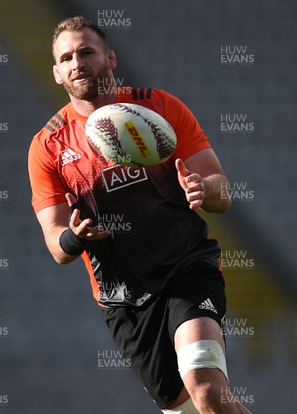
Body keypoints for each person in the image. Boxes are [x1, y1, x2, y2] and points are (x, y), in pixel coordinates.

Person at [28, 16, 251, 414]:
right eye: (67, 57)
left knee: (204, 384)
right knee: (187, 410)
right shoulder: (47, 146)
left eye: (86, 52)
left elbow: (223, 189)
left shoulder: (158, 108)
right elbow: (56, 243)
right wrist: (74, 237)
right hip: (123, 298)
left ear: (111, 58)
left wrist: (203, 188)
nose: (77, 62)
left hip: (186, 266)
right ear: (57, 73)